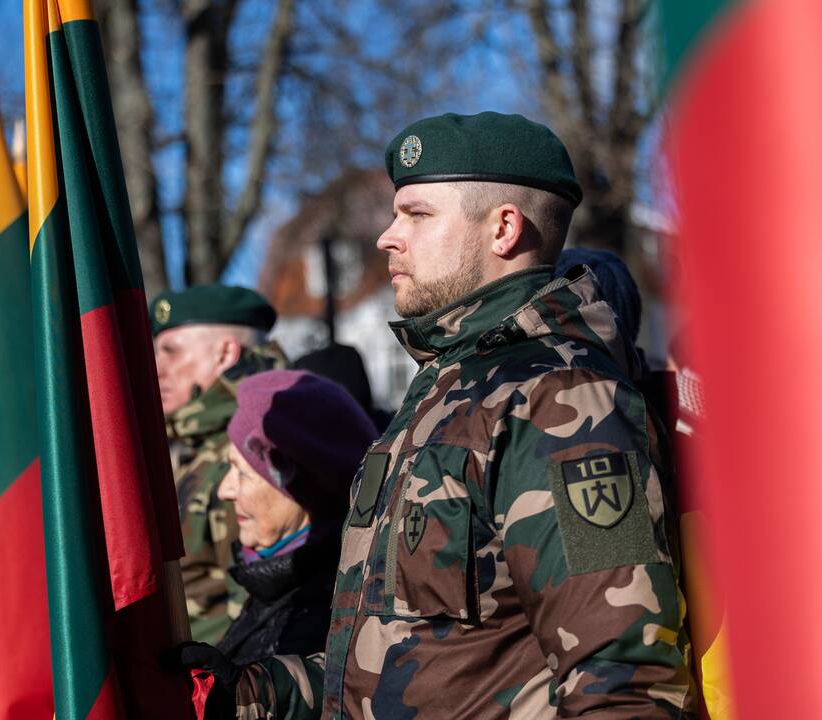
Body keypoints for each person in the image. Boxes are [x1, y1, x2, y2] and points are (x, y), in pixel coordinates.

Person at [182, 112, 694, 717]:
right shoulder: (447, 392)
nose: (387, 237)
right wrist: (245, 696)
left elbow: (625, 683)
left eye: (418, 215)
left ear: (504, 228)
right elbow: (404, 662)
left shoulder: (560, 399)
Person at [150, 284, 287, 645]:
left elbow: (259, 617)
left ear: (226, 353)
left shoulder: (256, 445)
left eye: (171, 352)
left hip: (223, 690)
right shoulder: (192, 441)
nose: (156, 368)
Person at [212, 369, 379, 665]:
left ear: (301, 491)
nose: (224, 490)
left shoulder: (317, 623)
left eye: (242, 473)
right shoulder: (272, 585)